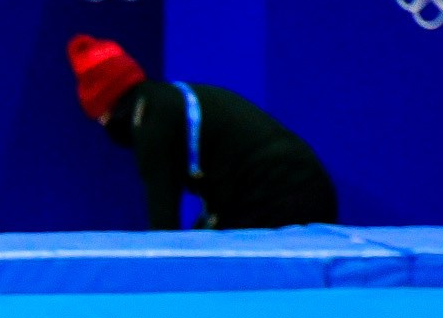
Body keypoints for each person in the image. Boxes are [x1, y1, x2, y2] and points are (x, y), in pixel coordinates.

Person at [68, 34, 338, 231]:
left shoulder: (151, 122)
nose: (102, 124)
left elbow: (164, 227)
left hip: (285, 195)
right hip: (279, 189)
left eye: (99, 116)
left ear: (109, 107)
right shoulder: (165, 101)